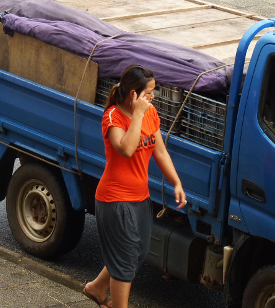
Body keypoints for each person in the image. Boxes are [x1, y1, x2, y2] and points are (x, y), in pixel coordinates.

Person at [82, 65, 186, 308]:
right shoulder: (113, 117)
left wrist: (176, 182)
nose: (152, 97)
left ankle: (97, 287)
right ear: (133, 95)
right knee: (125, 259)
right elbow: (127, 149)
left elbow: (159, 150)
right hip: (115, 198)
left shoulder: (150, 113)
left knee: (138, 253)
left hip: (140, 197)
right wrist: (137, 115)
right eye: (149, 93)